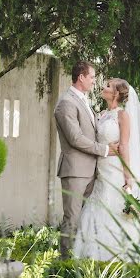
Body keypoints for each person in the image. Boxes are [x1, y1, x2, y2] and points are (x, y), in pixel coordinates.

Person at [73, 78, 140, 261]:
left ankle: (118, 259)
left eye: (108, 85)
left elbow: (124, 147)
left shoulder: (122, 115)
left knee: (113, 209)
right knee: (96, 208)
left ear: (116, 93)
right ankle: (93, 259)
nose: (103, 87)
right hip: (101, 169)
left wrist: (128, 179)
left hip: (115, 171)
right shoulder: (101, 114)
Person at [54, 61, 119, 259]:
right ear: (81, 77)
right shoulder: (66, 102)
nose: (93, 81)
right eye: (91, 77)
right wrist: (106, 150)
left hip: (92, 172)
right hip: (75, 171)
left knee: (85, 220)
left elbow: (89, 130)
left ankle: (80, 258)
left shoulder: (82, 101)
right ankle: (64, 263)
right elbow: (75, 138)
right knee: (72, 219)